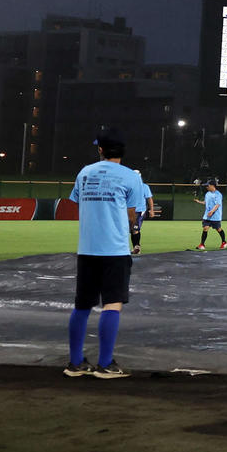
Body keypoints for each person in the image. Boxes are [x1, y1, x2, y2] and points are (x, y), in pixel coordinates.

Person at [65, 129, 146, 379]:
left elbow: (79, 202)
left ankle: (76, 363)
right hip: (115, 249)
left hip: (87, 248)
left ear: (100, 149)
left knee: (82, 306)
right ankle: (105, 364)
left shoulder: (85, 172)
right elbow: (133, 214)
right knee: (112, 303)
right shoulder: (131, 177)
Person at [194, 180, 227, 250]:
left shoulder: (218, 194)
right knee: (205, 228)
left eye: (208, 185)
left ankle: (224, 242)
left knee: (218, 229)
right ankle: (202, 244)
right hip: (207, 216)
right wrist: (199, 202)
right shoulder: (207, 194)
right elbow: (206, 202)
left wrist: (212, 211)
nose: (206, 187)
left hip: (215, 216)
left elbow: (218, 204)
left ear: (212, 186)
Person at [130, 170, 155, 255]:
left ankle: (137, 247)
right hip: (129, 211)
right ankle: (136, 247)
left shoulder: (144, 187)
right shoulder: (129, 186)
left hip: (140, 211)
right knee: (132, 230)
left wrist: (151, 210)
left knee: (135, 229)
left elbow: (149, 199)